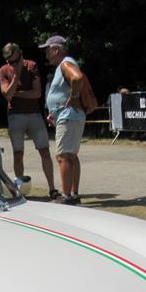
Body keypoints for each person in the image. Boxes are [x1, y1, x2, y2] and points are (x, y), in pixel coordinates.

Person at [0, 42, 57, 199]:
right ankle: (20, 192)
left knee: (44, 150)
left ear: (21, 55)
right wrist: (16, 76)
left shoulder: (32, 66)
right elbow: (7, 95)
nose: (13, 64)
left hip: (34, 114)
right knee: (18, 154)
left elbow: (37, 93)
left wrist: (16, 93)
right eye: (10, 62)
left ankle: (52, 189)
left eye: (16, 61)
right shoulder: (3, 70)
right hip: (15, 115)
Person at [41, 35, 85, 205]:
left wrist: (73, 97)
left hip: (69, 116)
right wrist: (54, 112)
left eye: (47, 50)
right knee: (71, 155)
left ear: (56, 50)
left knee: (63, 156)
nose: (46, 54)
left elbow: (77, 78)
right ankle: (73, 194)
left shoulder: (65, 64)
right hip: (70, 116)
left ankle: (66, 197)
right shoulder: (66, 63)